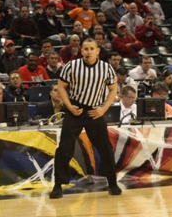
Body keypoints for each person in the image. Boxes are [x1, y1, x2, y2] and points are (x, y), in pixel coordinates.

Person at [50, 38, 121, 199]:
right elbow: (61, 87)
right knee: (65, 148)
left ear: (98, 51)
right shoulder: (71, 66)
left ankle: (113, 184)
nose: (88, 51)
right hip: (75, 110)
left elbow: (113, 89)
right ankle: (58, 185)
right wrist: (69, 106)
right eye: (86, 49)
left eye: (91, 49)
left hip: (94, 111)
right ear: (81, 50)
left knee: (105, 149)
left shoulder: (106, 68)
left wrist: (103, 109)